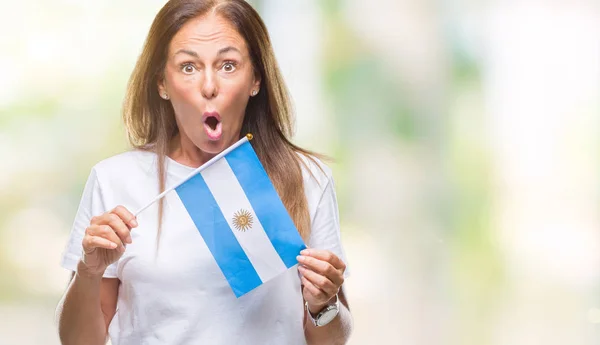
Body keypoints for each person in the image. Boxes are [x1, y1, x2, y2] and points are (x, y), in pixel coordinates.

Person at [56, 0, 352, 344]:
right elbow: (78, 342)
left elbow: (332, 339)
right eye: (188, 67)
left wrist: (323, 304)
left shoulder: (306, 179)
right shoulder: (115, 180)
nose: (209, 86)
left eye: (228, 65)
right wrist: (88, 271)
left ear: (255, 78)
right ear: (162, 84)